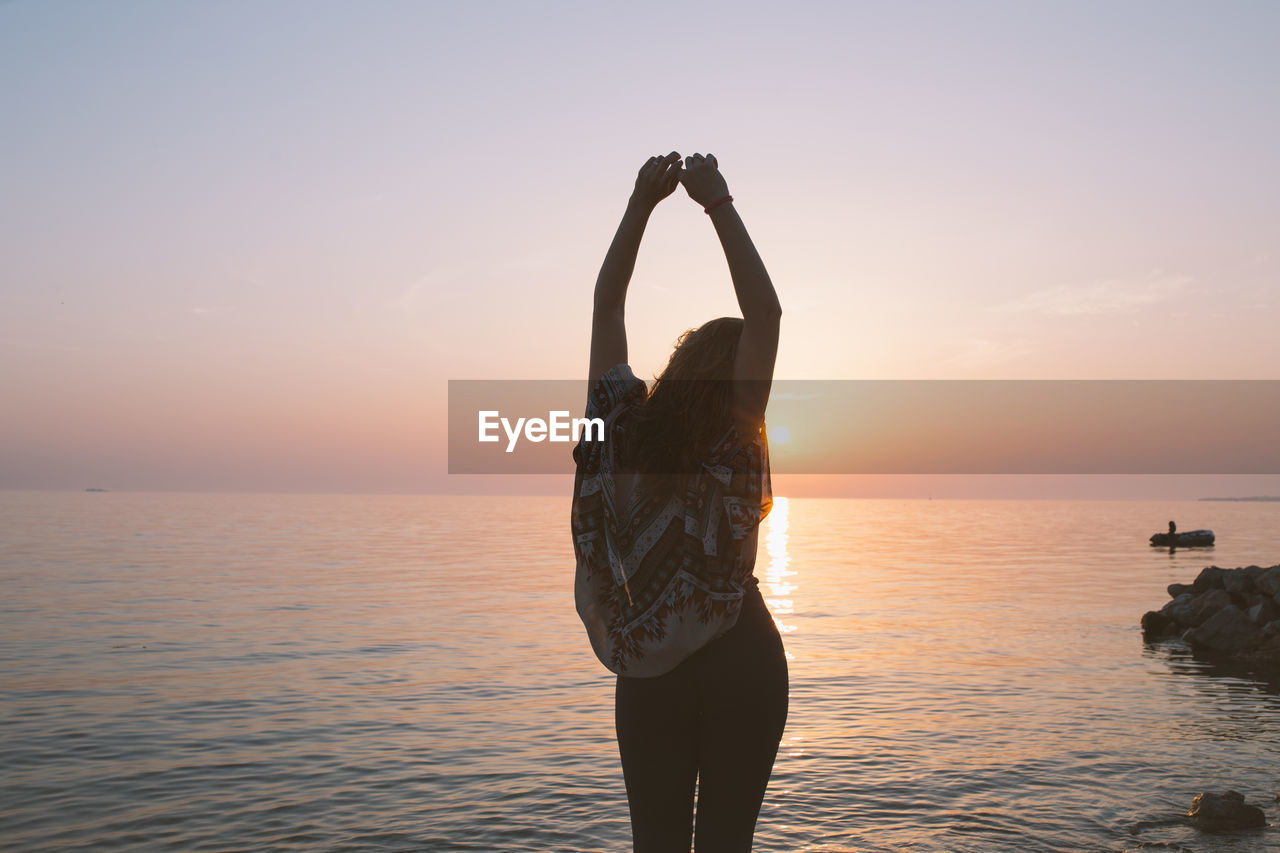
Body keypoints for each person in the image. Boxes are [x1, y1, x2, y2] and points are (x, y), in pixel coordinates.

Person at [571, 152, 786, 852]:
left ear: (679, 365)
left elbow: (606, 304)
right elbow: (767, 311)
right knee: (728, 844)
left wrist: (640, 205)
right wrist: (717, 202)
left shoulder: (619, 427)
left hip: (648, 669)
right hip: (740, 656)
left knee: (655, 845)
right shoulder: (736, 432)